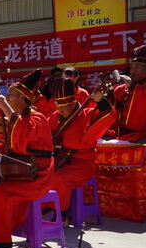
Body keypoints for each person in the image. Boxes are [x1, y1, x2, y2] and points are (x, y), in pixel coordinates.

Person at [0, 69, 54, 248]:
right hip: (20, 172)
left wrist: (4, 108)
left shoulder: (36, 117)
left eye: (10, 95)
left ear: (23, 98)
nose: (6, 98)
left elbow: (22, 138)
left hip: (37, 175)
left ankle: (2, 242)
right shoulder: (18, 117)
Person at [47, 78, 116, 219]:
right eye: (58, 105)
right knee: (42, 173)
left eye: (64, 106)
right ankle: (46, 207)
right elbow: (45, 133)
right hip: (61, 159)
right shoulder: (56, 116)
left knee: (60, 177)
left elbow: (109, 115)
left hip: (83, 162)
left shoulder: (88, 114)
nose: (60, 109)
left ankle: (62, 214)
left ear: (73, 103)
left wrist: (101, 101)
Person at [111, 44, 146, 143]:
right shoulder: (120, 89)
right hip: (121, 138)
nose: (133, 70)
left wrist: (131, 86)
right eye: (132, 67)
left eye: (137, 67)